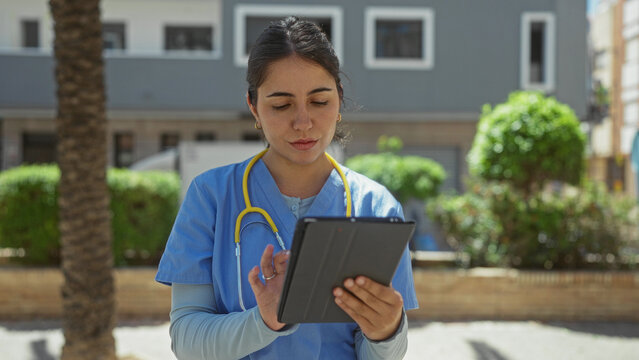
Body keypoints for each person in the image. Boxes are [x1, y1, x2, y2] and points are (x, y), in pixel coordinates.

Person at [155, 17, 418, 359]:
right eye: (281, 105)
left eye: (320, 101)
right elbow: (186, 342)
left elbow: (384, 353)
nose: (303, 122)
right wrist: (264, 321)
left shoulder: (377, 207)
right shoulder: (211, 197)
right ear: (254, 107)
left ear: (339, 101)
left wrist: (386, 333)